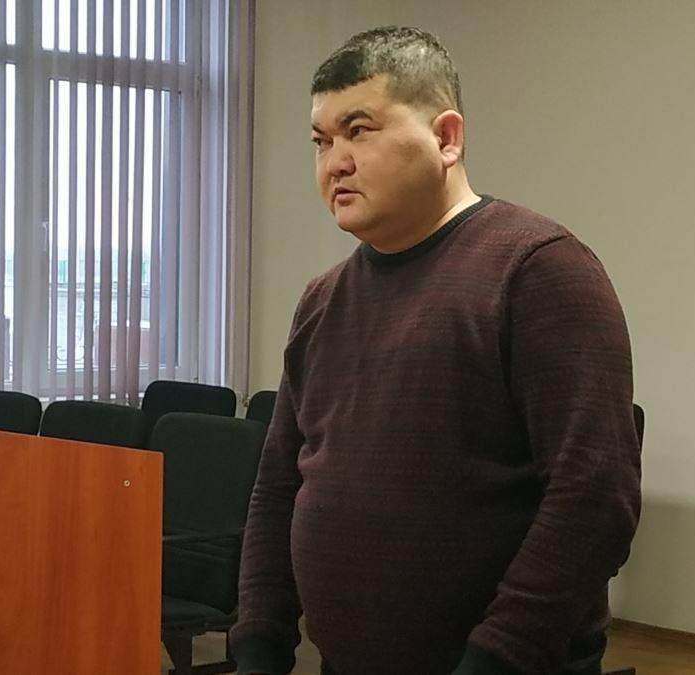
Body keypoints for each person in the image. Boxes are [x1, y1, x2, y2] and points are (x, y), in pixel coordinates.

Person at [229, 26, 641, 675]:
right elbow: (278, 487)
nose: (334, 162)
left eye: (358, 130)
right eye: (321, 140)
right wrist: (258, 644)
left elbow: (595, 497)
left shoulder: (538, 270)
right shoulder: (322, 300)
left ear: (446, 138)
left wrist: (495, 657)